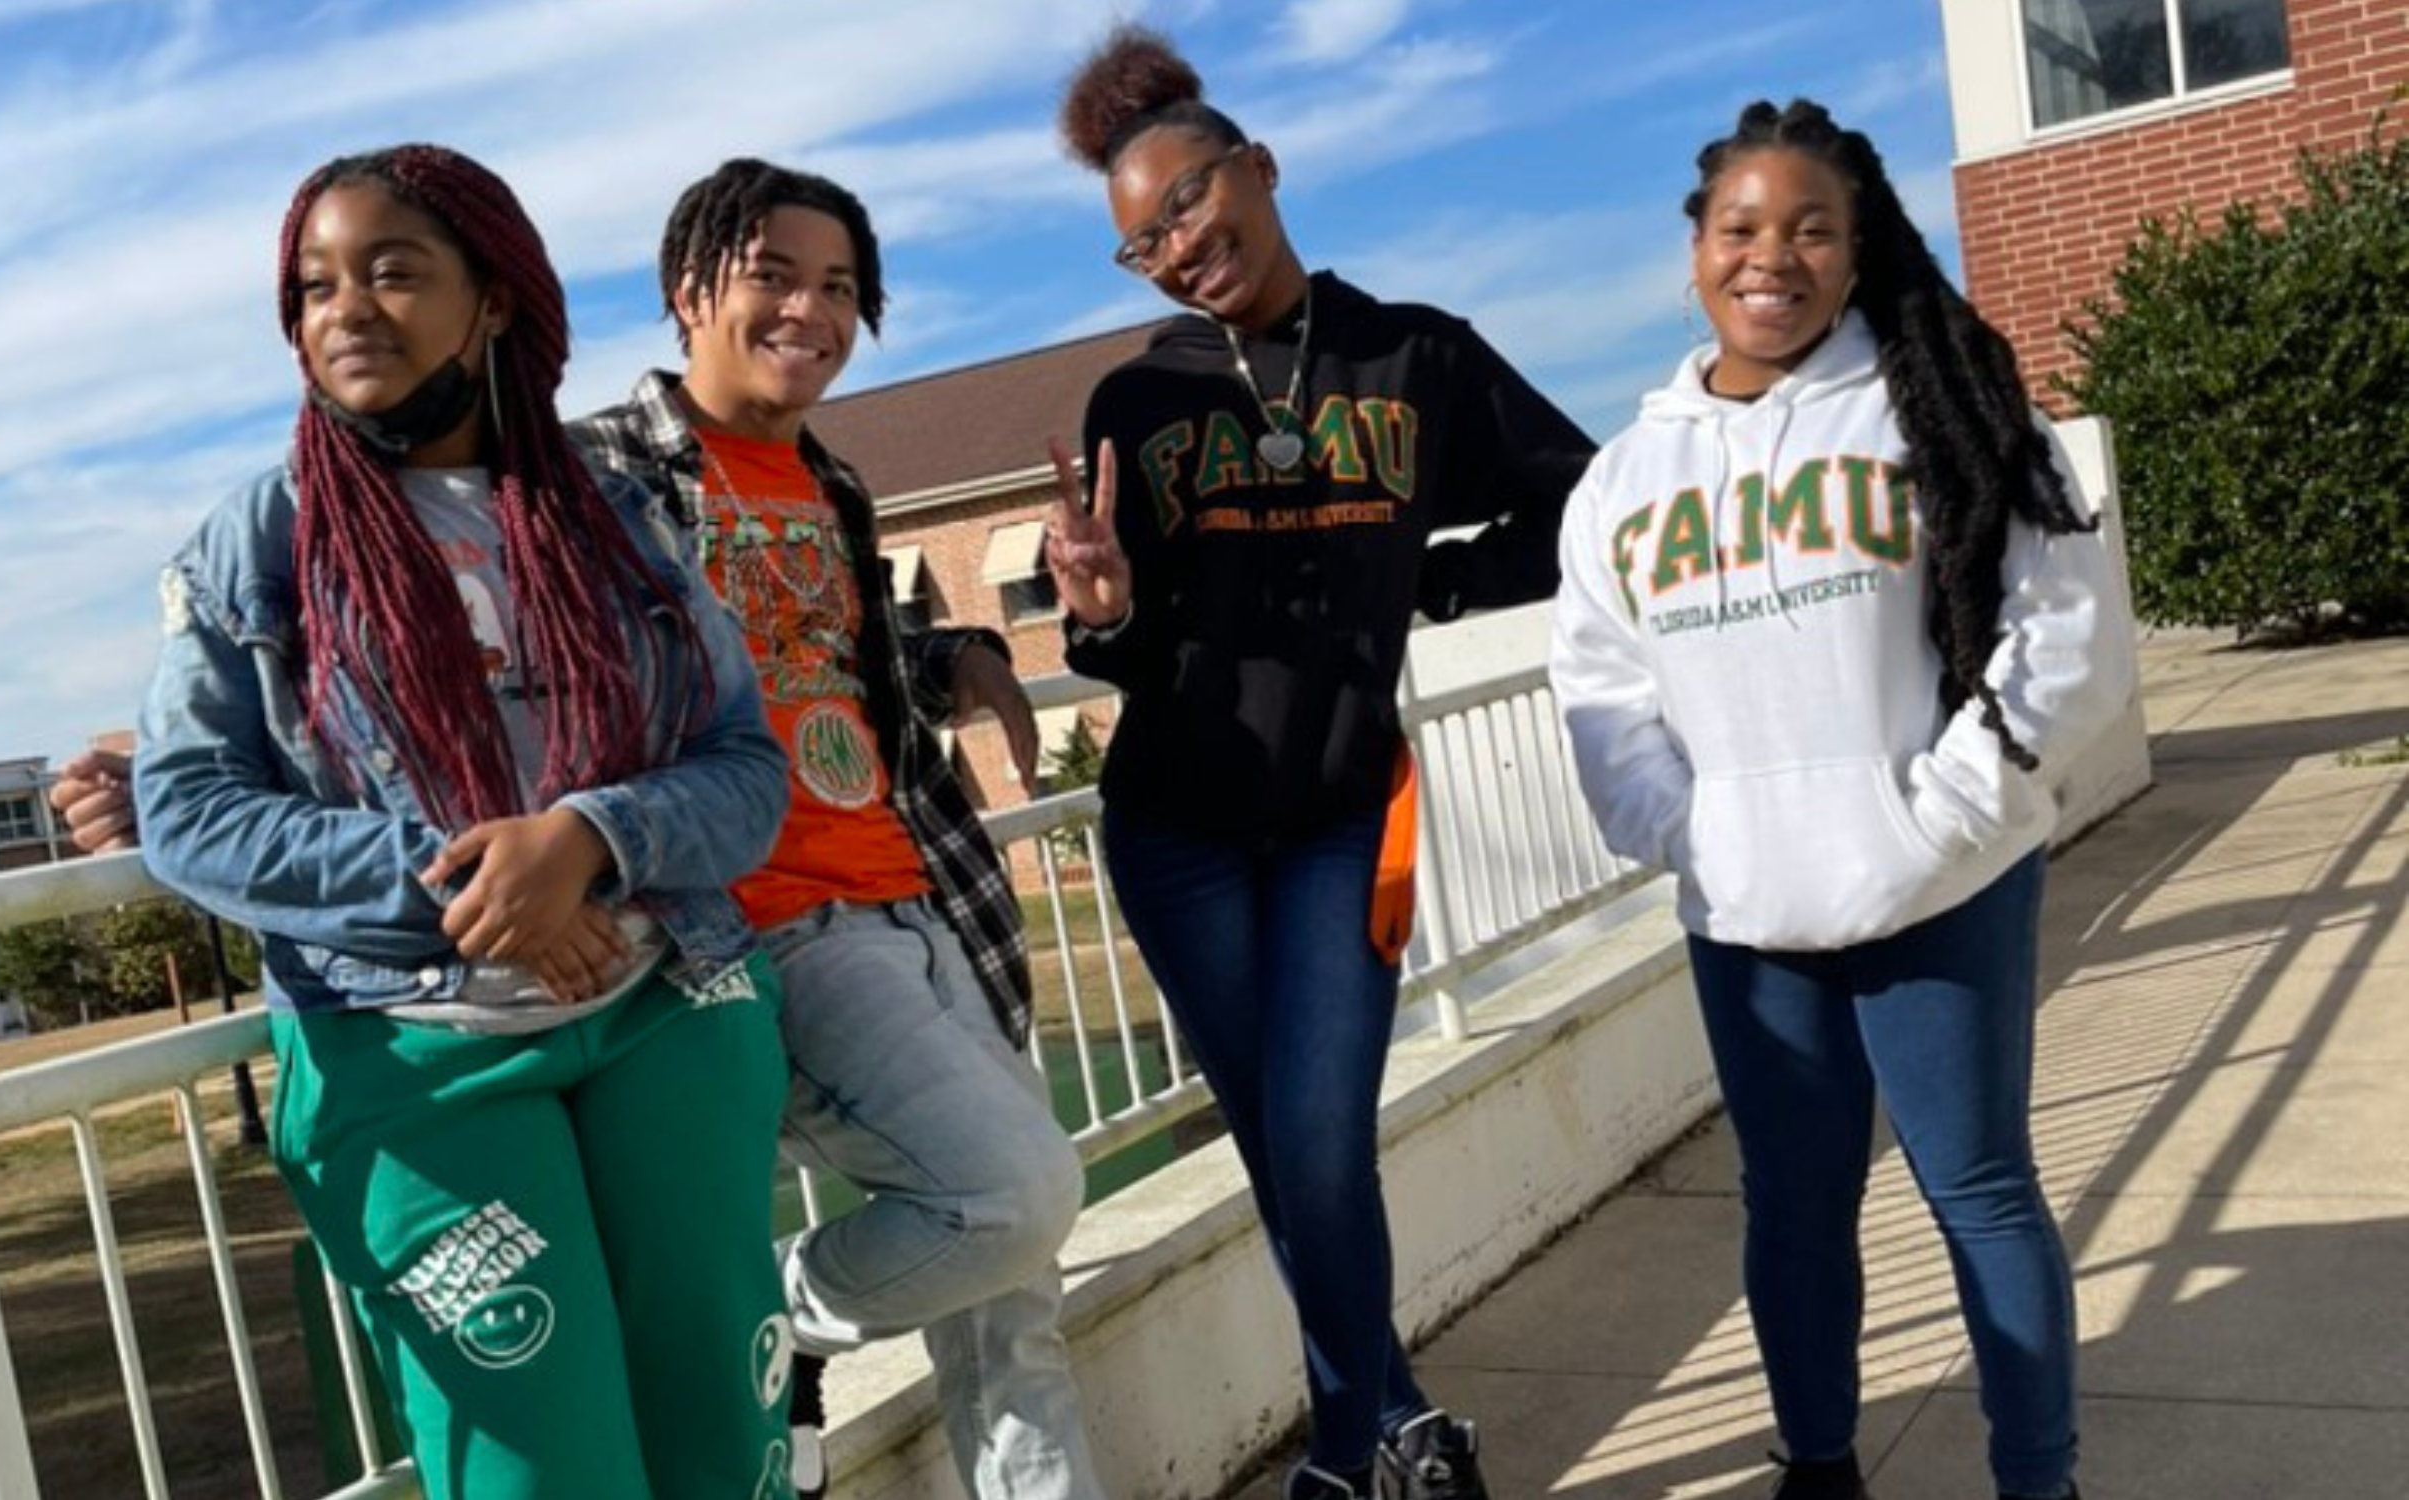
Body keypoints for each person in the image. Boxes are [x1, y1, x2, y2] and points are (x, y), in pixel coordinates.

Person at [129, 144, 795, 1500]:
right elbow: (187, 811)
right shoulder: (261, 542)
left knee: (725, 1453)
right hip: (409, 1056)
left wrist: (592, 841)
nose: (347, 311)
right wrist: (479, 884)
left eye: (391, 271)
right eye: (314, 289)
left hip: (668, 1009)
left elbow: (744, 768)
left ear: (493, 299)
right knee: (544, 1476)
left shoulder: (611, 517)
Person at [1548, 100, 2133, 1500]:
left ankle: (2037, 1482)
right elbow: (1603, 690)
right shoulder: (1626, 478)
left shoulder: (1941, 406)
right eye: (1742, 228)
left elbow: (2064, 628)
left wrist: (1947, 814)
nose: (1776, 257)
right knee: (1794, 1211)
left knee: (1979, 1192)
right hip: (1750, 910)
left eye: (1814, 228)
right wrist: (1699, 836)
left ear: (1860, 250)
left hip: (1945, 884)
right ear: (1693, 248)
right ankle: (1819, 1468)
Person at [1042, 27, 1597, 1500]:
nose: (1173, 248)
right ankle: (1404, 1425)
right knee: (1284, 1154)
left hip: (1346, 814)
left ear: (1260, 169)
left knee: (1319, 1141)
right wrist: (1095, 622)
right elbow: (1129, 644)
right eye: (1140, 241)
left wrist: (1436, 583)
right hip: (1175, 828)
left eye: (1186, 206)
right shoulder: (1140, 406)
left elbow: (1583, 504)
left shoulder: (1415, 357)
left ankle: (1346, 1460)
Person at [570, 158, 1107, 1500]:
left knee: (1014, 1292)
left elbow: (828, 653)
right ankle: (770, 1324)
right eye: (774, 278)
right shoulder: (589, 476)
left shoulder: (832, 481)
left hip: (926, 902)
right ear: (687, 290)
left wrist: (957, 654)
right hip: (772, 924)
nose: (810, 310)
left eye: (841, 290)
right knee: (1011, 1200)